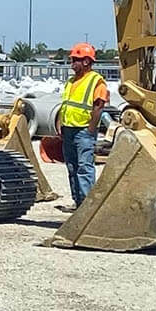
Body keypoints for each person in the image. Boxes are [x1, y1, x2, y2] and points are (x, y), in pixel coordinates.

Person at [57, 42, 108, 210]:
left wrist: (91, 128)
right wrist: (60, 123)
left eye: (75, 60)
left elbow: (99, 106)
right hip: (68, 129)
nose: (72, 63)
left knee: (85, 167)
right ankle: (78, 202)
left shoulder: (96, 81)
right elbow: (66, 103)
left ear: (86, 62)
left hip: (83, 131)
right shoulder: (71, 81)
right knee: (72, 167)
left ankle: (87, 207)